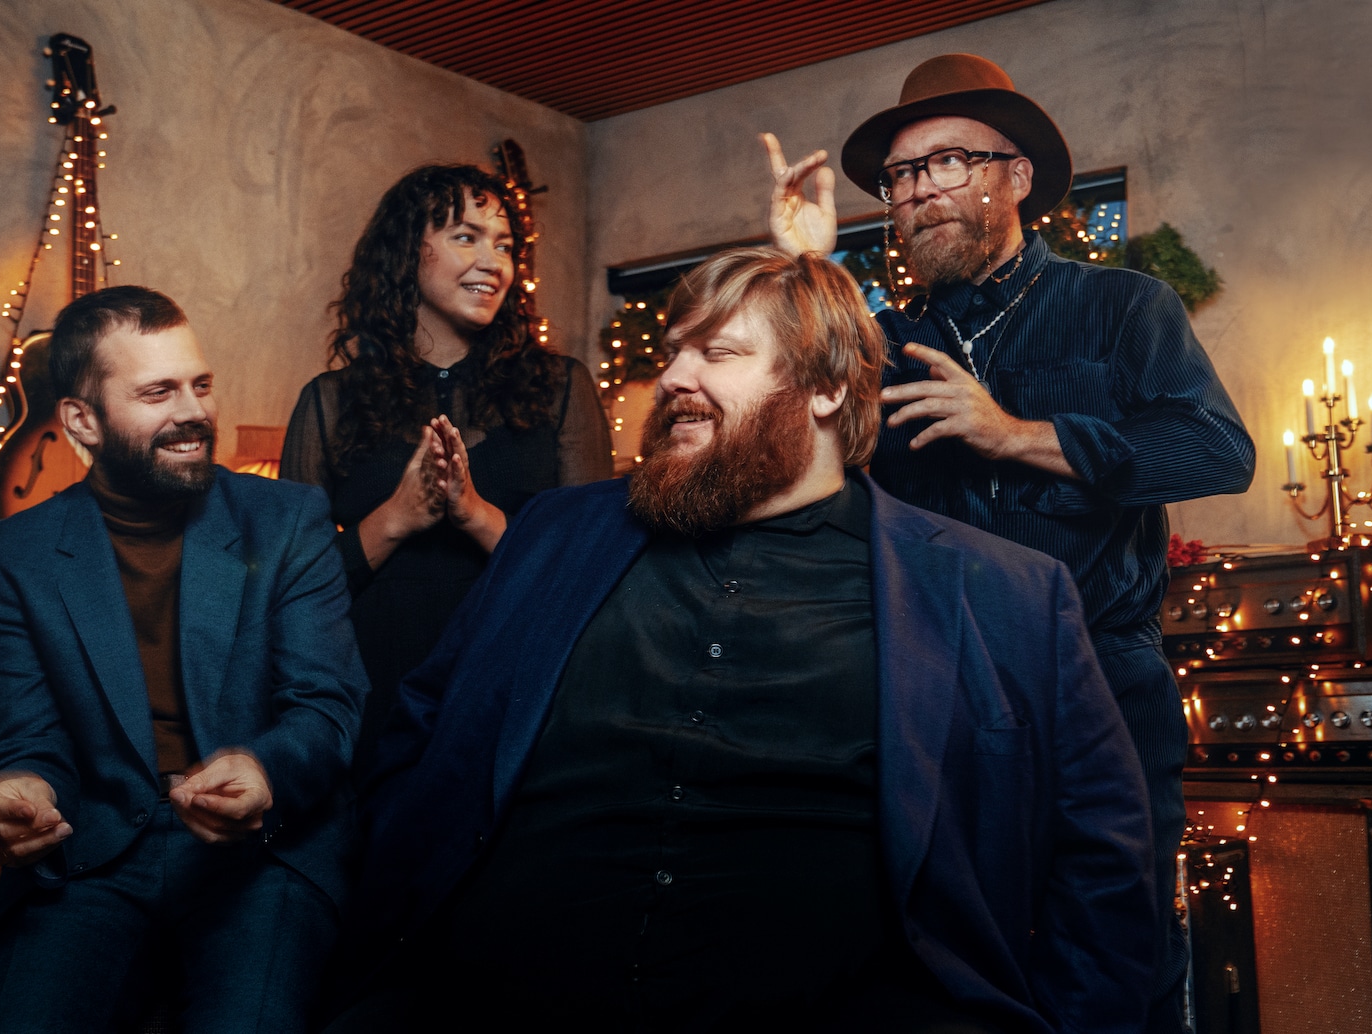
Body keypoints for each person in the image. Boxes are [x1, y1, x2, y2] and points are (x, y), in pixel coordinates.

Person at [335, 248, 1156, 1033]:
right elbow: (425, 728)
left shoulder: (1001, 592)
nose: (674, 378)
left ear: (827, 389)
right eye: (674, 352)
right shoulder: (555, 535)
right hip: (487, 998)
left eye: (717, 353)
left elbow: (1103, 861)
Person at [763, 53, 1256, 1033]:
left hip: (1102, 688)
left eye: (949, 161)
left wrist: (1015, 434)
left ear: (1016, 175)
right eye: (903, 175)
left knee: (1117, 962)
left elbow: (1216, 448)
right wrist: (804, 270)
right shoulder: (875, 346)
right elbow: (781, 449)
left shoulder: (1123, 307)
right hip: (930, 696)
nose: (921, 189)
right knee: (945, 961)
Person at [0, 285, 366, 1033]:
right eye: (158, 392)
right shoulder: (12, 554)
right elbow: (30, 737)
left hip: (261, 855)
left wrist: (264, 770)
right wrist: (21, 786)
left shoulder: (288, 519)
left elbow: (327, 706)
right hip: (94, 854)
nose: (194, 412)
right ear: (82, 420)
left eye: (200, 384)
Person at [281, 163, 611, 775]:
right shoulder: (330, 402)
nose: (493, 262)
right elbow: (292, 589)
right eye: (467, 236)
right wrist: (396, 518)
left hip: (505, 691)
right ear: (409, 250)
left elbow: (589, 574)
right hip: (369, 696)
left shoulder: (560, 390)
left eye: (504, 246)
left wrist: (477, 516)